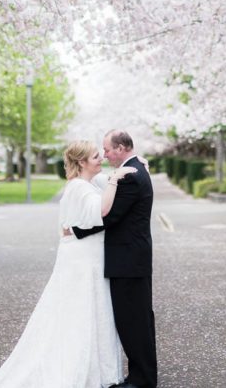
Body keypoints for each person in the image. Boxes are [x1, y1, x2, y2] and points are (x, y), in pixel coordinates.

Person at [0, 140, 137, 388]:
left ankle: (94, 368)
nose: (100, 158)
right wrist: (115, 178)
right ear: (81, 162)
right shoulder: (78, 187)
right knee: (78, 312)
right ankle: (74, 369)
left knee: (93, 311)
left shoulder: (88, 183)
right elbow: (102, 209)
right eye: (94, 157)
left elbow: (106, 188)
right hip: (81, 261)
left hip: (88, 257)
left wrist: (130, 163)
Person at [70, 130, 157, 388]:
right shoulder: (134, 169)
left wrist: (75, 230)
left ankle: (141, 380)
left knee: (134, 322)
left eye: (107, 150)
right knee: (139, 319)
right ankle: (143, 376)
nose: (105, 154)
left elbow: (110, 216)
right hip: (132, 258)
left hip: (128, 260)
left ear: (121, 148)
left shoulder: (131, 175)